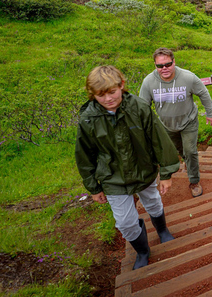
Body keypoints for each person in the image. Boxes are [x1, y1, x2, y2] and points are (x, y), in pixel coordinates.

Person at [75, 65, 180, 270]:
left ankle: (163, 230)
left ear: (121, 86)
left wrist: (166, 173)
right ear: (92, 95)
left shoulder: (139, 108)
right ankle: (142, 251)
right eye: (101, 95)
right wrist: (93, 187)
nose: (108, 99)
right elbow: (84, 155)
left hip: (144, 170)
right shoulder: (88, 119)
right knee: (125, 222)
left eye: (112, 92)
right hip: (113, 178)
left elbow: (159, 140)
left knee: (152, 201)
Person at [139, 48, 212, 198]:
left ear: (174, 62)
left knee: (190, 150)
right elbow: (142, 106)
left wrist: (210, 113)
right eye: (159, 66)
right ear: (155, 65)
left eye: (167, 64)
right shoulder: (149, 82)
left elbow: (203, 93)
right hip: (166, 125)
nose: (164, 68)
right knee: (178, 150)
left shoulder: (188, 77)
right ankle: (187, 161)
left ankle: (194, 181)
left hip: (189, 121)